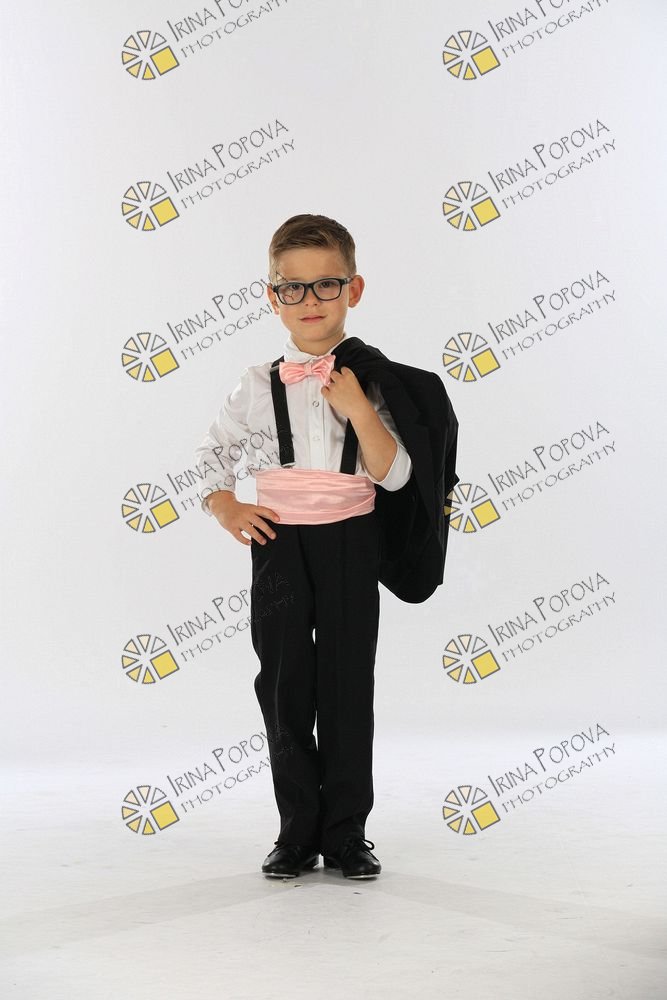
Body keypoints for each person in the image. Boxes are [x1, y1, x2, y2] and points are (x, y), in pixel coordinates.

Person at [194, 213, 457, 879]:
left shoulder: (375, 383)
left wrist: (361, 409)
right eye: (293, 287)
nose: (309, 301)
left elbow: (396, 476)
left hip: (350, 541)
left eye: (326, 285)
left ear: (353, 290)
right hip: (277, 543)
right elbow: (213, 452)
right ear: (272, 296)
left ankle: (345, 833)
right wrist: (224, 503)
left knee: (346, 682)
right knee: (283, 683)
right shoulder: (257, 384)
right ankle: (295, 831)